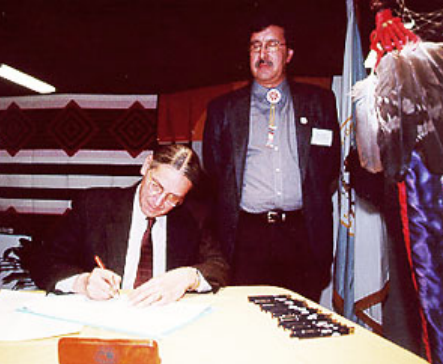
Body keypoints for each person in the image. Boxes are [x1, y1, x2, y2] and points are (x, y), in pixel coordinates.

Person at [203, 16, 340, 302]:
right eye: (255, 46)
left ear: (288, 54)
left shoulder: (320, 103)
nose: (263, 54)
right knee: (247, 322)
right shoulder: (223, 109)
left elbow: (326, 169)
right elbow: (216, 173)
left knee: (302, 321)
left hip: (302, 234)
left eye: (272, 45)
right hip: (245, 238)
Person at [30, 144, 229, 306]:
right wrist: (82, 282)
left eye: (173, 198)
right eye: (156, 186)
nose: (158, 202)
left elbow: (220, 267)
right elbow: (44, 261)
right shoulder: (93, 206)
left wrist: (189, 276)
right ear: (146, 166)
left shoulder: (194, 217)